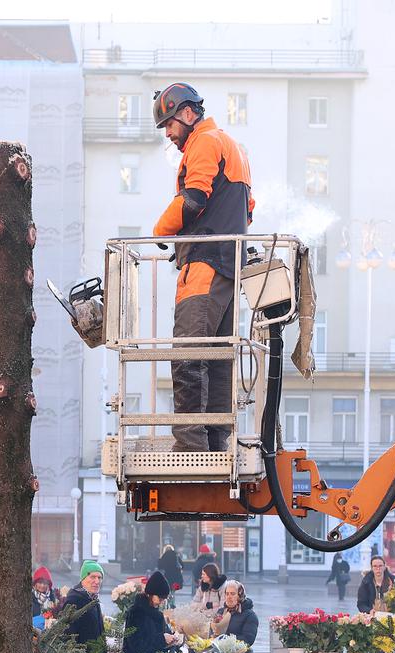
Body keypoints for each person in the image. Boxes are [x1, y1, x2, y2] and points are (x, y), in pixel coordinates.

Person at [151, 82, 254, 453]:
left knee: (189, 354)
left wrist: (161, 230)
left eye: (169, 124)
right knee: (218, 359)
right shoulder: (233, 147)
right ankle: (214, 440)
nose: (168, 133)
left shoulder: (205, 143)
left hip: (206, 266)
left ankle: (191, 445)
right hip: (228, 268)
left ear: (188, 113)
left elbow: (194, 199)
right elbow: (248, 208)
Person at [56, 560, 108, 653]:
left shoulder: (93, 599)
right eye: (93, 577)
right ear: (83, 578)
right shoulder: (74, 601)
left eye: (99, 577)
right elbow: (68, 637)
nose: (97, 581)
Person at [125, 571, 181, 653]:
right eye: (160, 598)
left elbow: (161, 636)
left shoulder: (157, 614)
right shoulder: (136, 612)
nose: (162, 602)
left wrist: (173, 639)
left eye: (164, 599)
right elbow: (136, 644)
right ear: (150, 594)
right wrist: (162, 639)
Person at [210, 579, 259, 653]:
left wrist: (224, 641)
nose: (229, 597)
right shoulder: (221, 612)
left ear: (240, 596)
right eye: (227, 594)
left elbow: (248, 640)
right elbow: (211, 632)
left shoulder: (250, 615)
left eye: (233, 594)